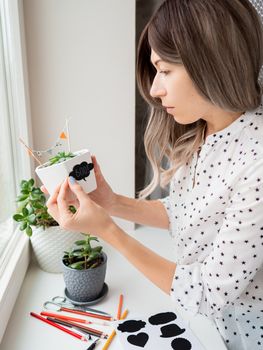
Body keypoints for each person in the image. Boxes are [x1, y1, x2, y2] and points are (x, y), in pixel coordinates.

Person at [44, 0, 263, 349]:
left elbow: (208, 293)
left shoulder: (257, 164)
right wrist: (111, 202)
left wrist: (108, 231)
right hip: (208, 327)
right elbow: (183, 213)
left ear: (209, 61)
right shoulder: (205, 132)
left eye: (165, 70)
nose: (156, 89)